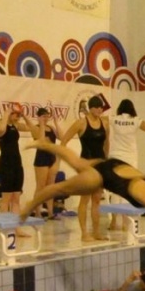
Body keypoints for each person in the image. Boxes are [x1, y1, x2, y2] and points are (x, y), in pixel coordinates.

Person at [18, 140, 145, 251]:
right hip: (99, 177)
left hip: (114, 164)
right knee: (58, 189)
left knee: (76, 161)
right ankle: (29, 206)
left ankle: (45, 144)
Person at [108, 100, 145, 231]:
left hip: (115, 156)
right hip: (130, 158)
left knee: (115, 189)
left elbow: (100, 120)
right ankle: (124, 222)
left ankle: (113, 221)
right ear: (132, 109)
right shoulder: (136, 120)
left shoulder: (113, 119)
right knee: (128, 188)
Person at [61, 95, 110, 242]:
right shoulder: (81, 123)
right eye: (98, 107)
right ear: (91, 108)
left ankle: (96, 232)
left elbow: (106, 143)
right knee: (85, 199)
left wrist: (105, 160)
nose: (100, 110)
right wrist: (70, 159)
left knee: (97, 200)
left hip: (99, 164)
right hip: (85, 165)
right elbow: (64, 141)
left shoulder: (104, 123)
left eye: (102, 108)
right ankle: (84, 233)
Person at [0, 107, 32, 235]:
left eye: (18, 115)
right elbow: (0, 130)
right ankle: (4, 225)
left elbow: (31, 128)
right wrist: (6, 114)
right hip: (6, 163)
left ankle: (16, 227)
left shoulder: (16, 125)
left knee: (16, 198)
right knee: (6, 198)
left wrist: (24, 115)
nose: (17, 117)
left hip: (17, 162)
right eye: (16, 114)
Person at [27, 107, 62, 220]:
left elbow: (62, 137)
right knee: (40, 187)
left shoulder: (51, 128)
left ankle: (50, 212)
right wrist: (41, 124)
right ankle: (37, 212)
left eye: (47, 116)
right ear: (39, 117)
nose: (46, 118)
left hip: (51, 157)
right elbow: (41, 139)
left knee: (50, 187)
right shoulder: (36, 128)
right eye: (43, 116)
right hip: (41, 158)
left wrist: (56, 122)